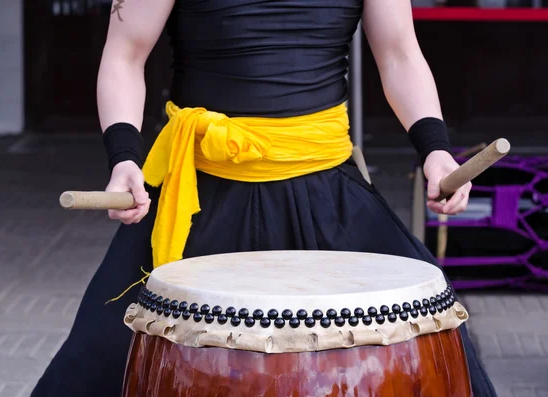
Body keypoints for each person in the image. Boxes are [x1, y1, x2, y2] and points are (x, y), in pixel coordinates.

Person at [32, 0, 497, 395]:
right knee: (103, 355)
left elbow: (399, 55)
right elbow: (124, 55)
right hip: (201, 194)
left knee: (435, 336)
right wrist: (124, 159)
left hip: (326, 187)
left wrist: (435, 150)